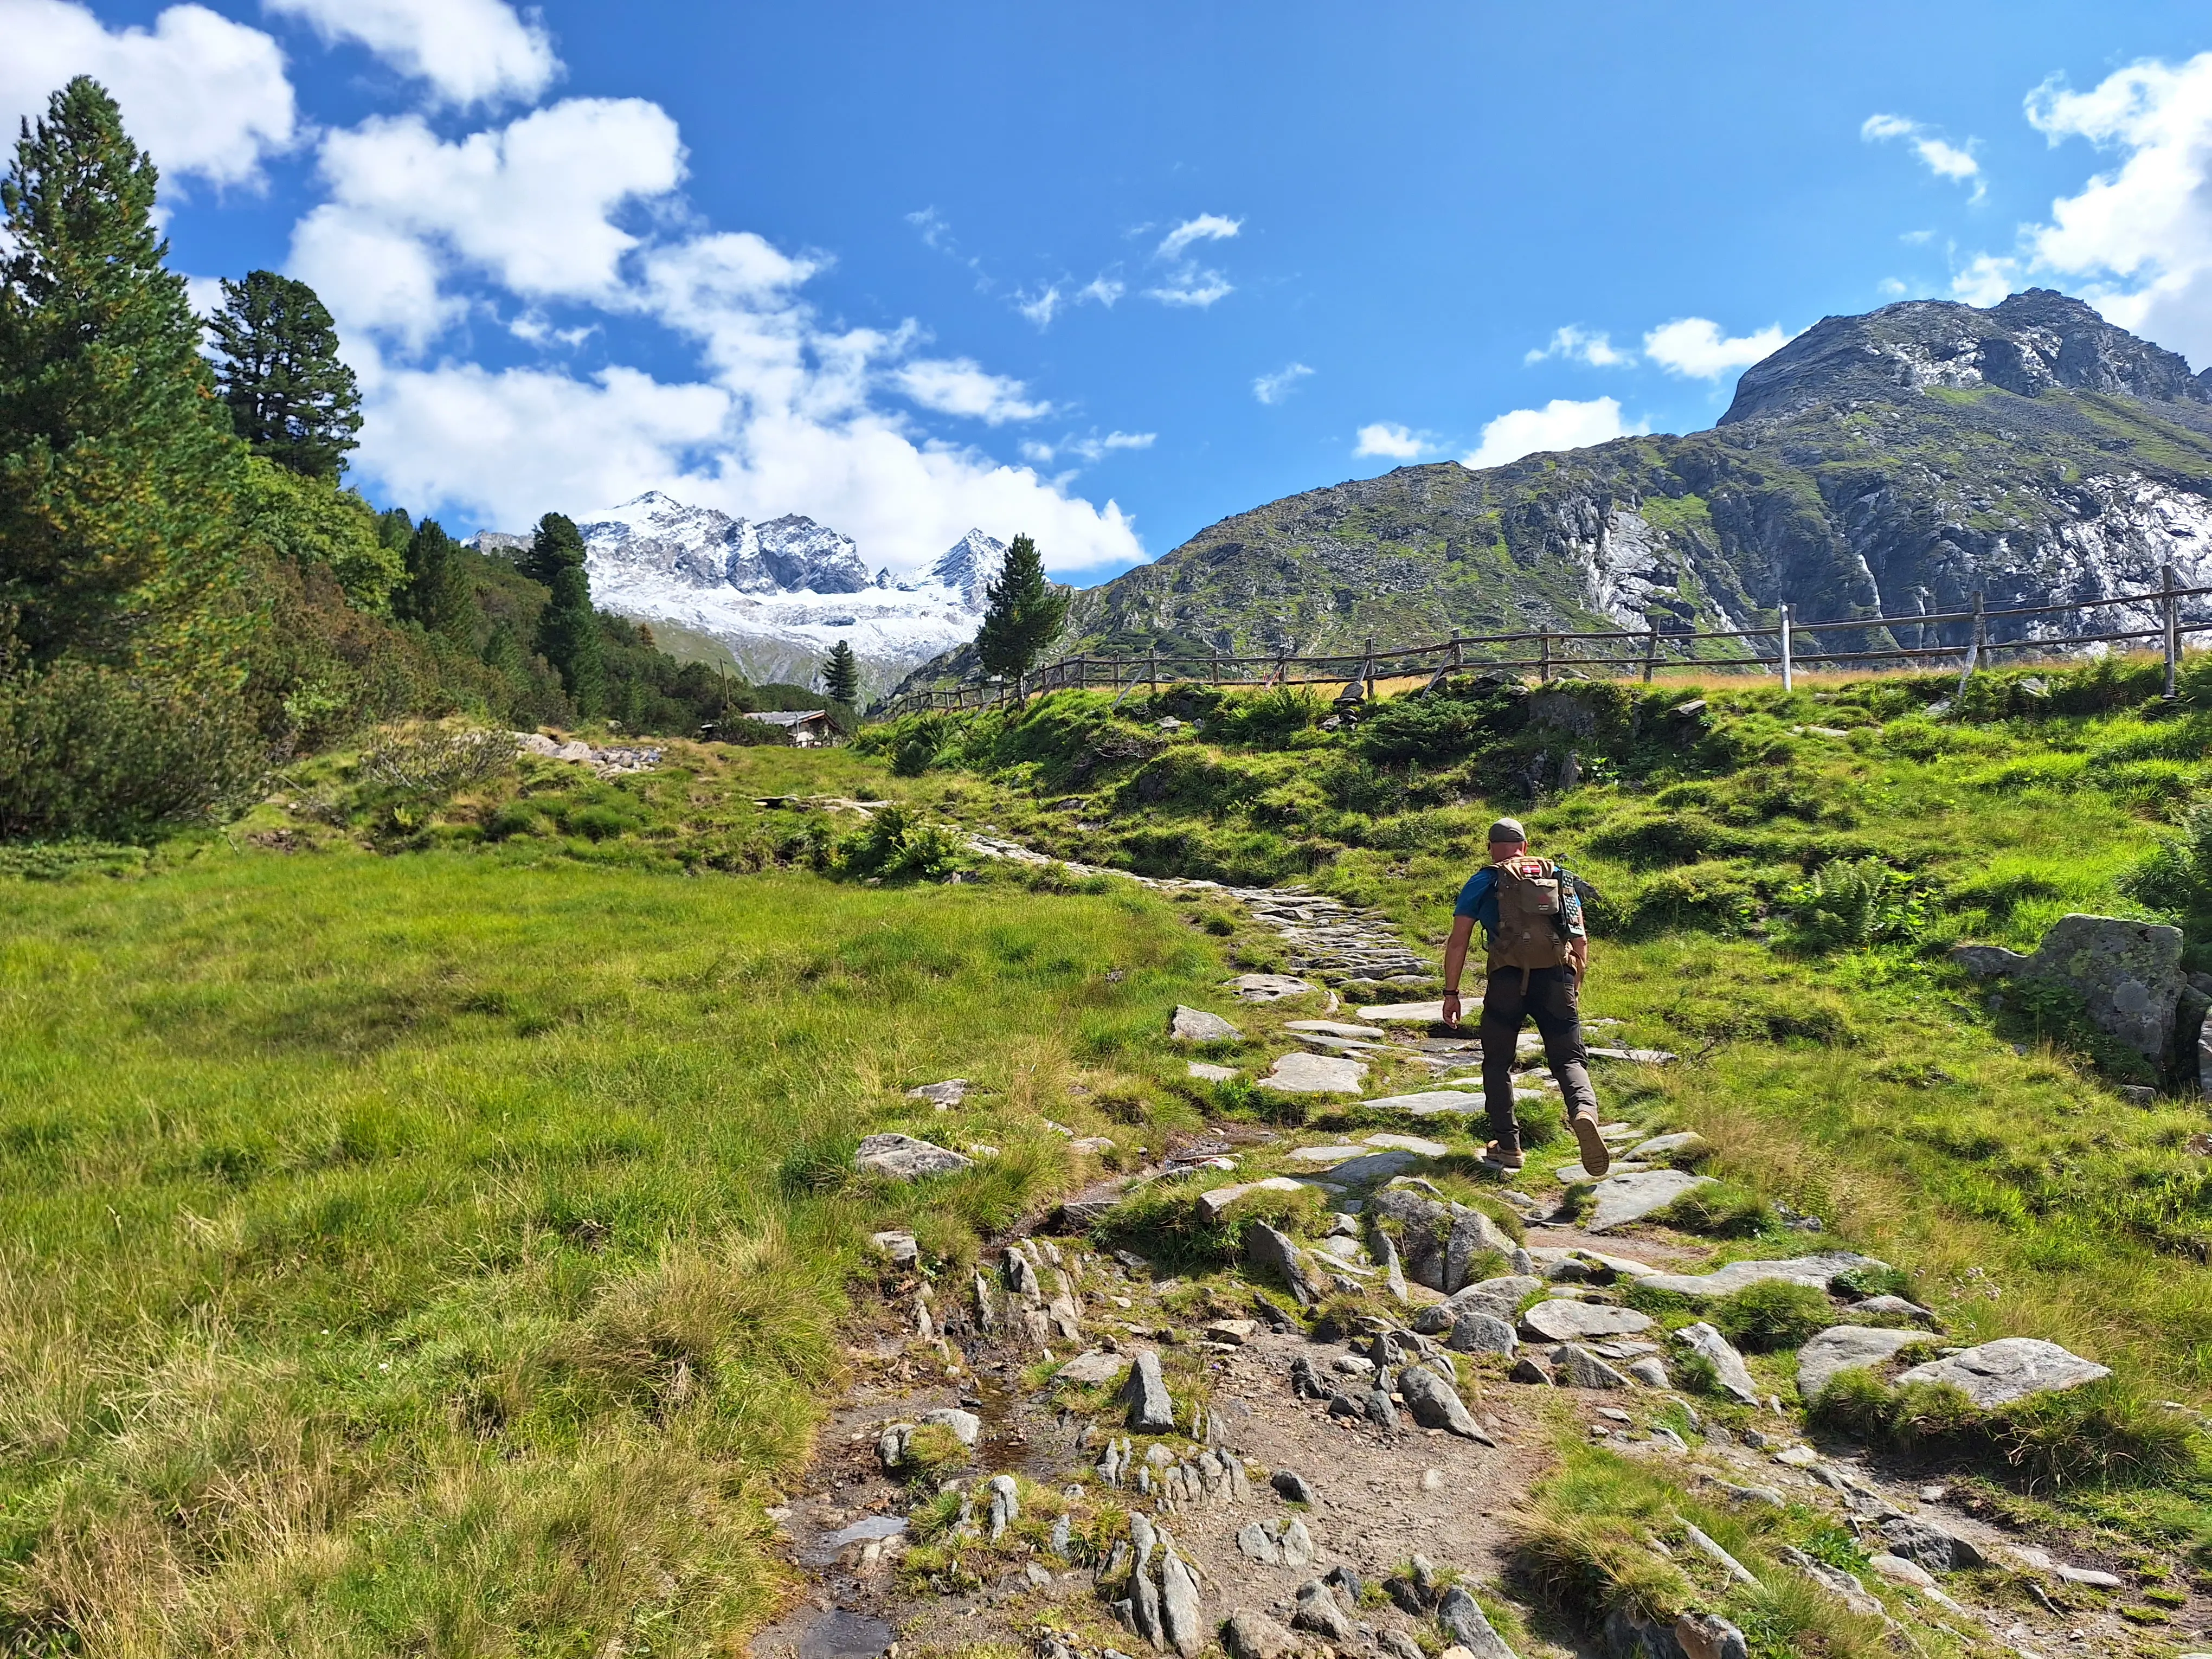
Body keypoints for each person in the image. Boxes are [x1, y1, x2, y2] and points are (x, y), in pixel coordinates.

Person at [1439, 816, 1610, 1177]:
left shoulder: (1484, 879)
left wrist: (1451, 993)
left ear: (1491, 847)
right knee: (1569, 1059)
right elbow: (1579, 939)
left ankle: (1509, 1146)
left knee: (1497, 1062)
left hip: (1506, 980)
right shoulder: (1559, 876)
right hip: (1556, 978)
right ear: (1525, 846)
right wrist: (1573, 982)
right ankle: (1583, 1112)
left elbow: (1459, 941)